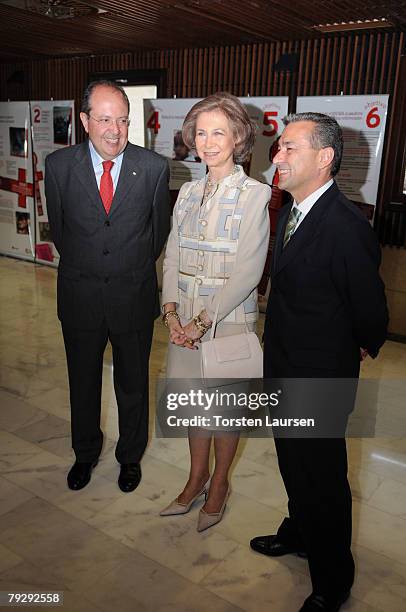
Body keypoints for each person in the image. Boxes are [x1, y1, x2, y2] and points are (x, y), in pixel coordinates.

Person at [250, 113, 388, 612]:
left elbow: (372, 311)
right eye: (279, 147)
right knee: (292, 461)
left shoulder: (346, 226)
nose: (277, 156)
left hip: (320, 378)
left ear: (324, 158)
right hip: (284, 367)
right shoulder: (292, 209)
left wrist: (355, 346)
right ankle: (299, 533)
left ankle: (333, 578)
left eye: (288, 148)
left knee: (323, 476)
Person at [45, 80, 170, 493]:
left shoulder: (153, 168)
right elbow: (61, 230)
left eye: (122, 120)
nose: (114, 130)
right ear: (84, 121)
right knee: (82, 382)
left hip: (132, 296)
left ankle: (130, 457)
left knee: (133, 384)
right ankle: (85, 453)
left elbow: (157, 234)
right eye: (103, 119)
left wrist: (125, 268)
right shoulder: (59, 166)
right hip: (79, 296)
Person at [160, 92, 271, 531]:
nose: (207, 142)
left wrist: (201, 323)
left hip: (226, 326)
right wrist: (172, 316)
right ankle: (194, 480)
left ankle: (220, 483)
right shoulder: (187, 191)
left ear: (239, 136)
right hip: (182, 323)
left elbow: (249, 272)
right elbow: (171, 257)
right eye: (201, 132)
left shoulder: (255, 195)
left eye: (218, 132)